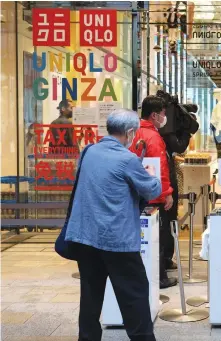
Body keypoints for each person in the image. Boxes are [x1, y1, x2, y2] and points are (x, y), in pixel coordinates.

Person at [65, 109, 162, 341]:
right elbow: (152, 189)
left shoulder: (88, 151)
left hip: (85, 237)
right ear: (130, 132)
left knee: (90, 296)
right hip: (117, 241)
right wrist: (151, 175)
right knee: (135, 296)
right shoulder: (127, 158)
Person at [129, 96, 177, 289]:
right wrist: (166, 192)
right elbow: (161, 168)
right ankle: (160, 277)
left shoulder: (133, 132)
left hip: (136, 193)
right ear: (155, 115)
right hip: (153, 194)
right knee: (157, 236)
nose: (165, 117)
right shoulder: (153, 137)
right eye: (164, 114)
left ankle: (144, 274)